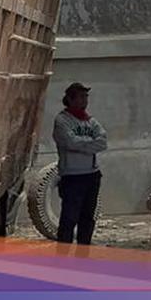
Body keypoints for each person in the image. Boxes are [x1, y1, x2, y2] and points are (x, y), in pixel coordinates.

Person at [52, 82, 107, 246]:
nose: (85, 100)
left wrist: (82, 145)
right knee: (69, 218)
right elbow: (69, 142)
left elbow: (103, 142)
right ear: (70, 99)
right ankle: (62, 258)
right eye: (81, 96)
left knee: (88, 218)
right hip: (72, 176)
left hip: (91, 175)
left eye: (86, 97)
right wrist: (90, 144)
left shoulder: (91, 121)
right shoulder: (62, 120)